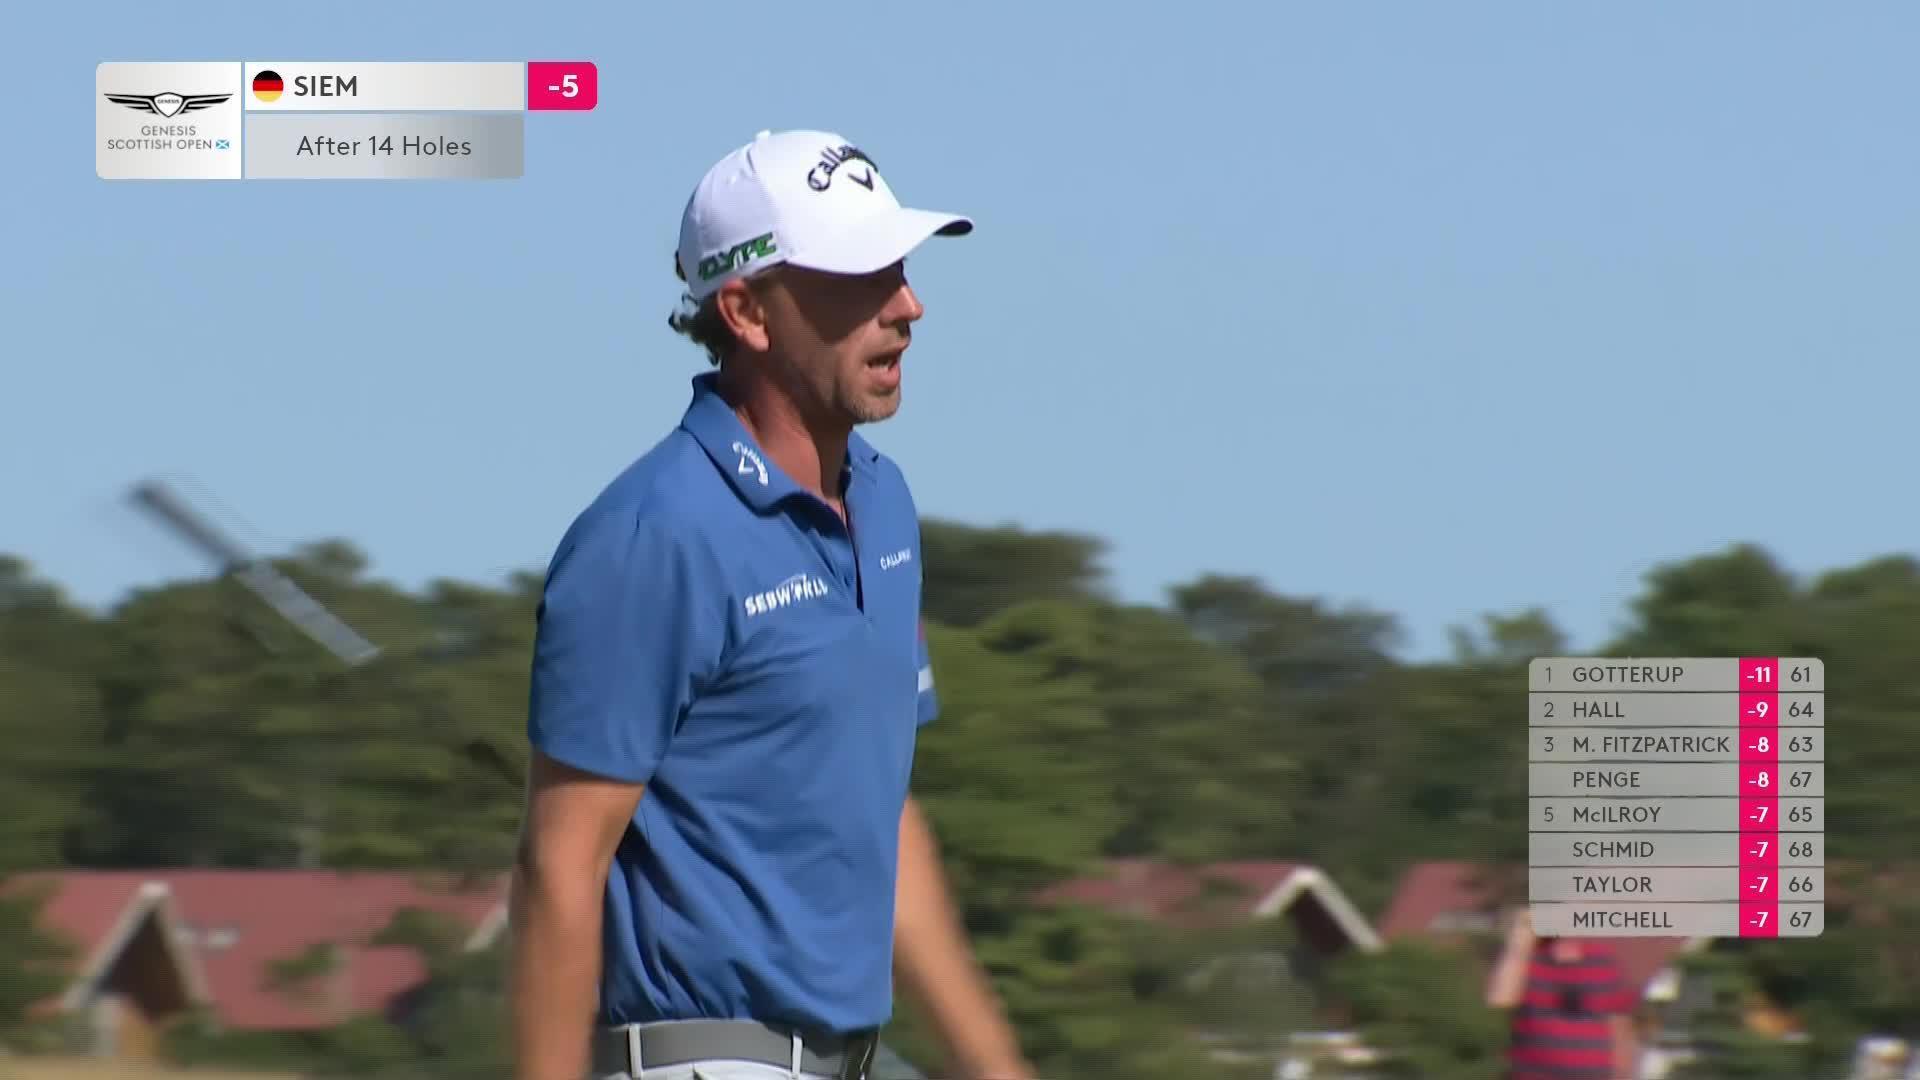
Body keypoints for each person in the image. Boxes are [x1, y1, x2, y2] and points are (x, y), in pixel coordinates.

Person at [508, 128, 1035, 1080]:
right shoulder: (654, 535)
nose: (908, 306)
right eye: (859, 278)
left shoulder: (886, 505)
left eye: (902, 270)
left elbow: (880, 813)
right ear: (746, 311)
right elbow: (560, 868)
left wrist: (995, 1066)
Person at [1488, 912, 1639, 1080]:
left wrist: (1624, 1073)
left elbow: (1619, 1027)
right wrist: (1520, 941)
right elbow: (1501, 1000)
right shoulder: (1528, 960)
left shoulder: (1601, 960)